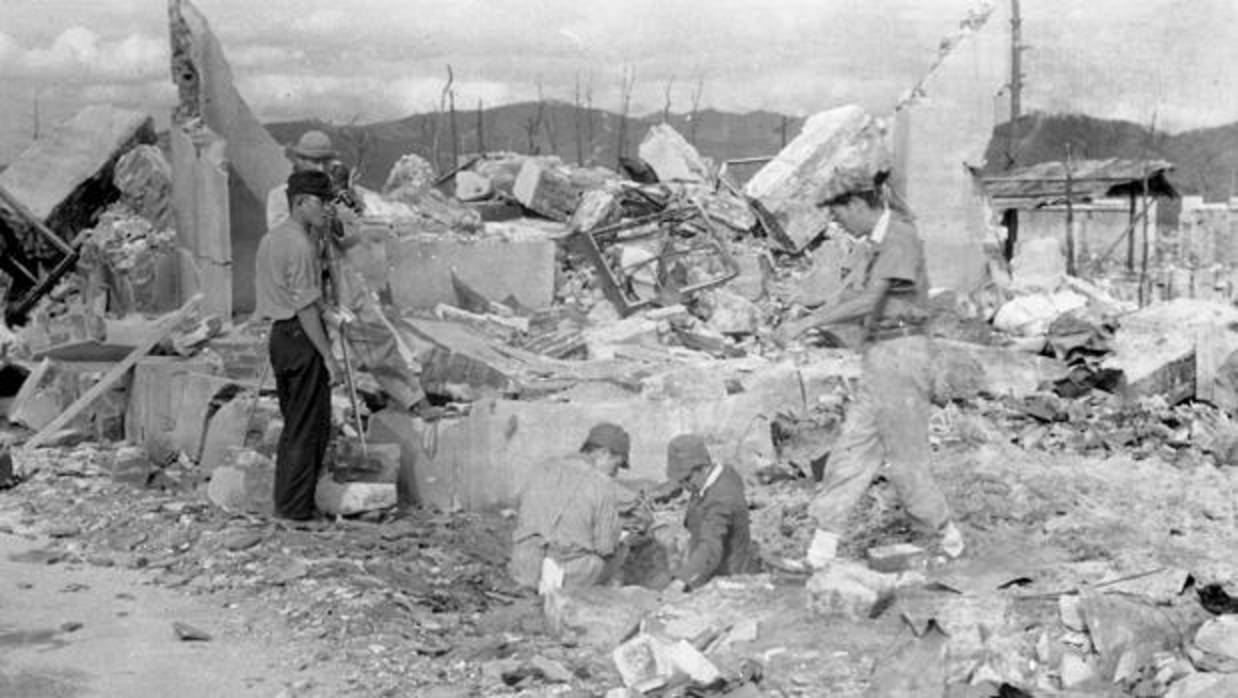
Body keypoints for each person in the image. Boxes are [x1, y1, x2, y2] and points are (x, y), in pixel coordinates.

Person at [775, 171, 964, 566]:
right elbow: (853, 296)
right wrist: (807, 309)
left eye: (839, 213)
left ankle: (948, 540)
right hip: (881, 356)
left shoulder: (899, 235)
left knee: (906, 463)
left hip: (902, 354)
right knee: (850, 452)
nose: (837, 223)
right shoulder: (875, 243)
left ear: (859, 204)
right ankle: (820, 554)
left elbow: (870, 300)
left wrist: (808, 323)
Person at [254, 170, 341, 521]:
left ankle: (290, 504)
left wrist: (326, 309)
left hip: (280, 337)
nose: (326, 209)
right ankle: (294, 511)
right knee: (309, 428)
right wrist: (327, 355)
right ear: (301, 201)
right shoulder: (300, 245)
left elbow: (297, 290)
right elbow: (304, 306)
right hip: (300, 336)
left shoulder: (273, 239)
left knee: (296, 425)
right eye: (321, 202)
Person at [509, 423, 631, 593]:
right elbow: (605, 548)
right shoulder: (602, 484)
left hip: (524, 568)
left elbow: (519, 509)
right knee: (621, 551)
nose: (615, 473)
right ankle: (606, 596)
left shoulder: (543, 467)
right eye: (615, 465)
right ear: (603, 453)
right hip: (568, 576)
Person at [663, 434, 755, 593]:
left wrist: (683, 579)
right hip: (705, 565)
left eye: (686, 480)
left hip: (727, 576)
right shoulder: (715, 477)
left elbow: (711, 546)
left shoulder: (723, 497)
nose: (684, 486)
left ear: (702, 468)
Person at [266, 131, 338, 230]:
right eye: (315, 162)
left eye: (326, 162)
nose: (321, 168)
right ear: (300, 161)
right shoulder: (280, 196)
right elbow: (281, 237)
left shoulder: (337, 192)